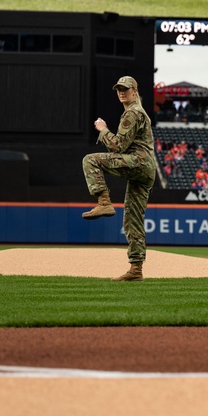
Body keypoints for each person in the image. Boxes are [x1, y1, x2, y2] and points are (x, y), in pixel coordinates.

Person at [82, 75, 158, 281]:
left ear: (135, 91)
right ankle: (136, 269)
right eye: (119, 89)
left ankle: (104, 202)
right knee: (132, 219)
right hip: (147, 170)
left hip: (138, 163)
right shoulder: (137, 112)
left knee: (90, 160)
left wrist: (103, 130)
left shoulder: (133, 112)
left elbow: (117, 146)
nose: (122, 92)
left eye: (125, 89)